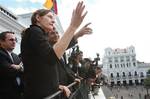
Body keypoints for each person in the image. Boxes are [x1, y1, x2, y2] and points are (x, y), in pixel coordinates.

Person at [21, 1, 91, 99]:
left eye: (54, 19)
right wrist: (73, 26)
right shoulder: (34, 30)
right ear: (38, 18)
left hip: (50, 93)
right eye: (50, 17)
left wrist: (57, 86)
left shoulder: (39, 35)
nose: (53, 21)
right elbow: (52, 56)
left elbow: (55, 52)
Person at [0, 31, 23, 99]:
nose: (14, 42)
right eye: (11, 40)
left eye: (15, 40)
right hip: (4, 94)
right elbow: (8, 70)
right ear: (1, 41)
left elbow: (23, 71)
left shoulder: (15, 56)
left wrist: (18, 67)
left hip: (18, 93)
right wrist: (20, 68)